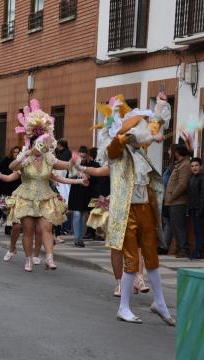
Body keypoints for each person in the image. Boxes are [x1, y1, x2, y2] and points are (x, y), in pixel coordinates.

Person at [82, 92, 174, 325]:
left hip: (145, 210)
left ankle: (160, 303)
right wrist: (119, 128)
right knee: (131, 260)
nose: (144, 136)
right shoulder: (118, 153)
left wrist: (162, 105)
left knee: (151, 258)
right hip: (127, 212)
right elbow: (112, 148)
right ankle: (123, 307)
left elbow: (155, 126)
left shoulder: (141, 154)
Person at [8, 99, 72, 272]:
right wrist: (25, 154)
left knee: (46, 227)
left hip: (44, 197)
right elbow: (12, 167)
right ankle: (28, 259)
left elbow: (63, 164)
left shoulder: (48, 158)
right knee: (27, 230)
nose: (42, 146)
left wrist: (78, 164)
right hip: (26, 197)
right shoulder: (26, 156)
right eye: (39, 143)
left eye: (45, 143)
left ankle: (49, 258)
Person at [164, 144, 191, 258]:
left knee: (179, 226)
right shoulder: (178, 164)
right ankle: (181, 248)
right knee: (174, 226)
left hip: (178, 201)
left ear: (177, 153)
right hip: (172, 201)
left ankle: (184, 249)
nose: (170, 154)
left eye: (171, 152)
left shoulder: (185, 165)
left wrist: (172, 196)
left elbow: (182, 184)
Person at [0, 146, 22, 228]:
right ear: (12, 152)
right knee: (7, 207)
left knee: (16, 208)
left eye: (18, 152)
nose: (16, 154)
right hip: (7, 187)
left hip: (19, 188)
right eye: (15, 152)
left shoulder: (22, 162)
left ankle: (11, 225)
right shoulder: (6, 161)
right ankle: (6, 222)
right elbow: (1, 173)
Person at [67, 146, 94, 247]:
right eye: (80, 156)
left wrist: (88, 176)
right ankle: (77, 238)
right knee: (77, 214)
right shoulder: (73, 163)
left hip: (86, 192)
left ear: (86, 156)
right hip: (76, 190)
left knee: (83, 216)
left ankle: (80, 238)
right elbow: (68, 176)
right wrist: (76, 174)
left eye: (84, 157)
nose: (82, 159)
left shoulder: (90, 164)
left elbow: (95, 177)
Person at [188, 157, 204, 259]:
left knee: (200, 231)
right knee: (196, 231)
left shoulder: (203, 176)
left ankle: (199, 253)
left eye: (196, 165)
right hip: (193, 208)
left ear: (201, 166)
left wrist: (200, 210)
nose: (194, 168)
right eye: (192, 166)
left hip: (200, 209)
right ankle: (196, 251)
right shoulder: (192, 177)